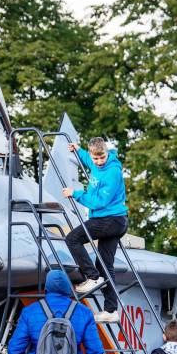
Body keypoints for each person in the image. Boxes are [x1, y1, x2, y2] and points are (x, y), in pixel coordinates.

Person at [62, 137, 128, 324]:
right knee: (105, 265)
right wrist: (78, 150)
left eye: (102, 158)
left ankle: (92, 277)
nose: (99, 162)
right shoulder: (94, 161)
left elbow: (100, 202)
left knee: (72, 239)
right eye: (96, 158)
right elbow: (87, 159)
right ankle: (110, 311)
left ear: (107, 153)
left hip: (110, 219)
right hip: (113, 220)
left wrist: (75, 194)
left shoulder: (113, 172)